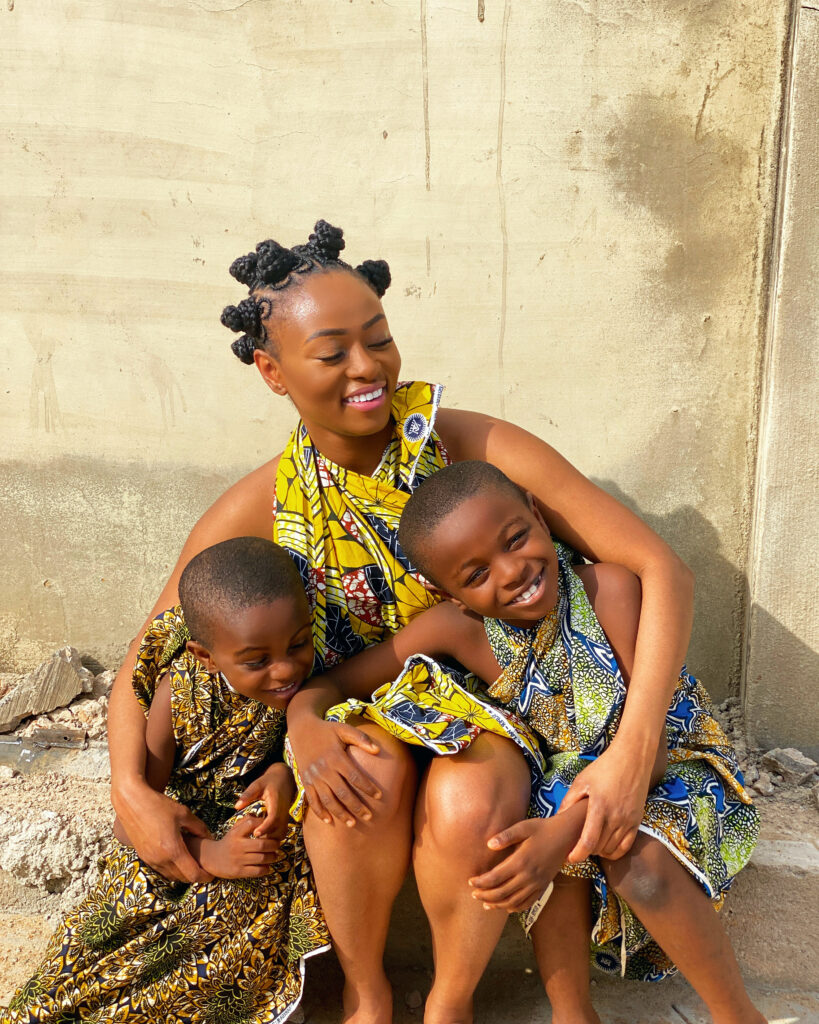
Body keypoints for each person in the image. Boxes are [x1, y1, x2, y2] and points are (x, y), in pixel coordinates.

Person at [108, 220, 698, 1024]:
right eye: (332, 352)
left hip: (506, 717)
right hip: (367, 709)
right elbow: (149, 656)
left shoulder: (472, 448)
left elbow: (658, 570)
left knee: (467, 799)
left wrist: (631, 754)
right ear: (274, 374)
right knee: (355, 773)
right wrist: (129, 790)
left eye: (378, 339)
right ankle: (367, 996)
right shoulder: (265, 501)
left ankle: (447, 1007)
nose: (367, 368)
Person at [299, 461, 762, 1024]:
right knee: (535, 825)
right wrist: (305, 724)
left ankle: (737, 1014)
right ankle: (573, 1014)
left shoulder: (608, 591)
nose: (513, 571)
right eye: (475, 575)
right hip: (568, 793)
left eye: (515, 539)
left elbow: (651, 748)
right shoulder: (457, 630)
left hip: (672, 766)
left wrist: (559, 836)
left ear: (538, 516)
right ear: (451, 595)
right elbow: (332, 684)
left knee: (633, 863)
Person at [3, 538, 329, 1024]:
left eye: (298, 644)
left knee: (242, 905)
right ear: (204, 656)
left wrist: (282, 776)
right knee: (80, 976)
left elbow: (294, 760)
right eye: (257, 661)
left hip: (250, 848)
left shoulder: (317, 684)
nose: (285, 669)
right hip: (174, 852)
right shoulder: (178, 696)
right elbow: (132, 820)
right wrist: (208, 855)